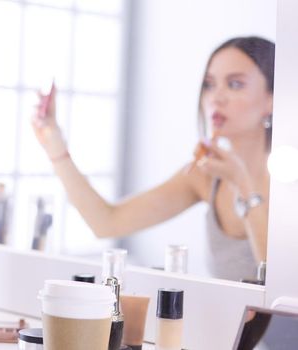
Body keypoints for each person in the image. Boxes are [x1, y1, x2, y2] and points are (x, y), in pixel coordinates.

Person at [32, 36, 274, 282]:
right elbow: (106, 223)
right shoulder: (204, 177)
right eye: (209, 85)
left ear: (271, 99)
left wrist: (244, 187)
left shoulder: (287, 183)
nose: (216, 97)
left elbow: (282, 285)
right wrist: (56, 147)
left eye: (235, 84)